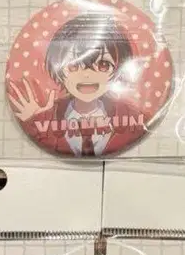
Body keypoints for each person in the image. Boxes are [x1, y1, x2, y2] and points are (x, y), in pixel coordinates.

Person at [8, 11, 145, 157]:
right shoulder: (48, 117)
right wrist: (35, 121)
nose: (87, 75)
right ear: (58, 69)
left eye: (103, 65)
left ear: (119, 69)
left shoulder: (130, 116)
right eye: (73, 65)